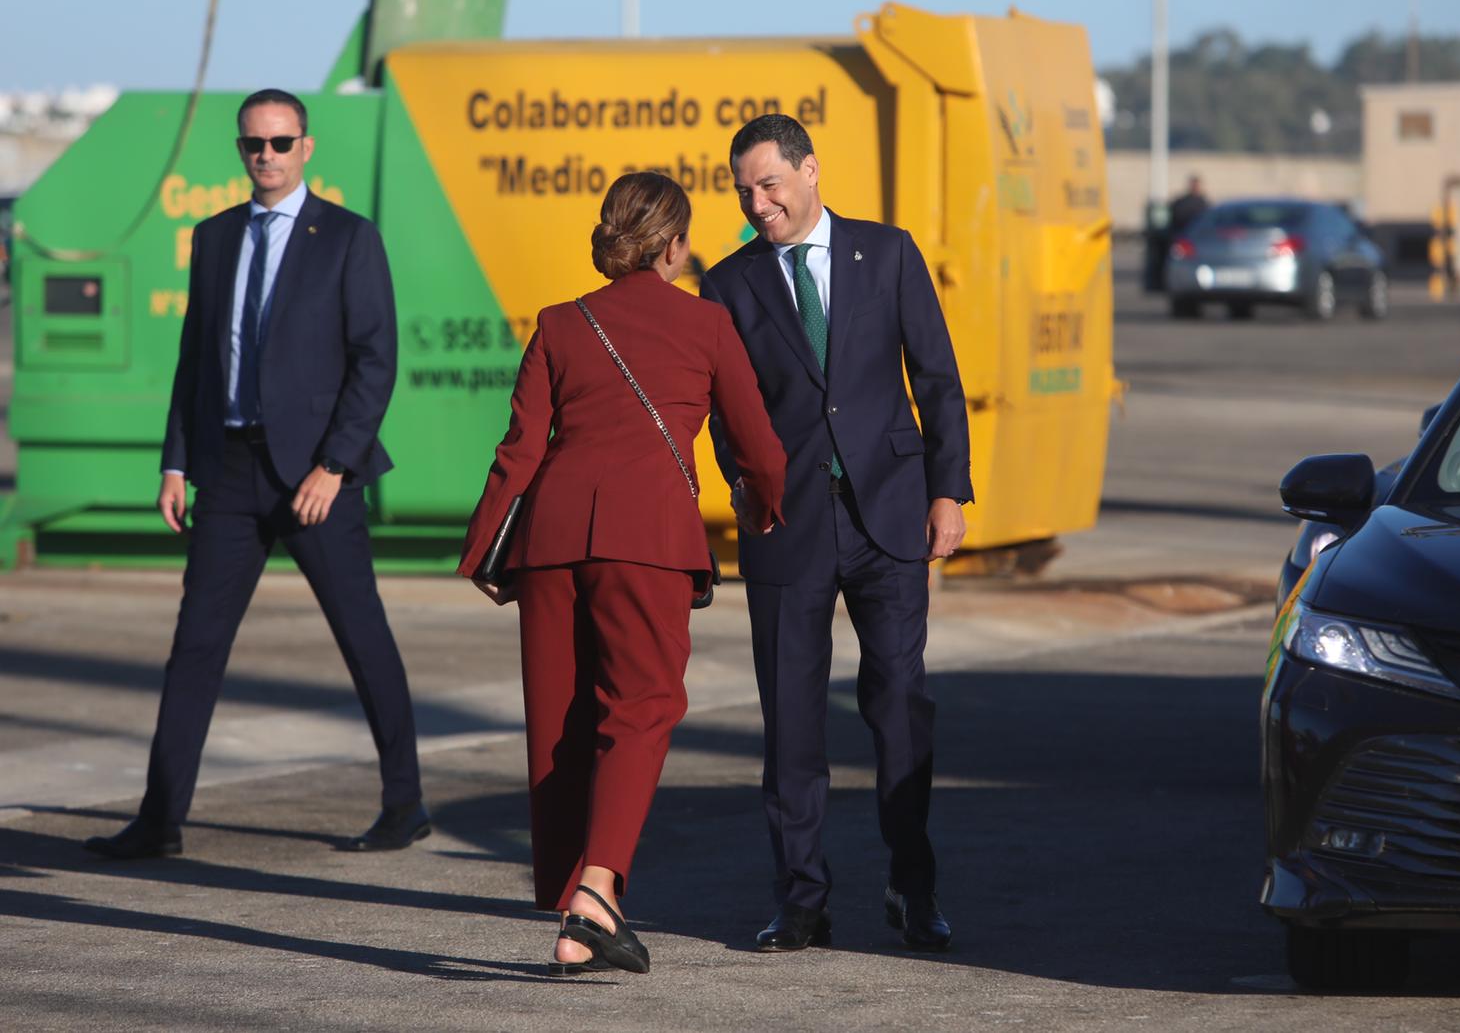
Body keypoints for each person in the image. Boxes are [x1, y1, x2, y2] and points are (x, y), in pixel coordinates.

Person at [85, 89, 428, 860]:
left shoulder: (347, 238)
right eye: (253, 145)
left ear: (307, 147)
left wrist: (334, 465)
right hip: (230, 471)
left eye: (279, 143)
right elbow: (194, 361)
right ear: (240, 150)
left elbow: (376, 363)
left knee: (361, 634)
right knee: (196, 645)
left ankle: (404, 803)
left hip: (316, 476)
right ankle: (160, 818)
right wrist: (176, 460)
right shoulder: (212, 238)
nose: (265, 156)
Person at [458, 171, 786, 977]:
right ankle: (596, 896)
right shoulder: (705, 323)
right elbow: (758, 444)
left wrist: (483, 553)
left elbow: (520, 450)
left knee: (565, 725)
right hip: (648, 540)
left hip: (550, 542)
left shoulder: (560, 324)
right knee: (642, 709)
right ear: (674, 245)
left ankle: (576, 913)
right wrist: (767, 506)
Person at [700, 115, 973, 953]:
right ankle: (803, 899)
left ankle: (912, 886)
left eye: (770, 184)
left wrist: (949, 491)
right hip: (789, 524)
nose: (758, 203)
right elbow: (722, 401)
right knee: (790, 722)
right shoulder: (728, 282)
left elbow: (936, 376)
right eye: (744, 190)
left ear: (810, 171)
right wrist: (744, 484)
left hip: (889, 514)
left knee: (899, 707)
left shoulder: (886, 254)